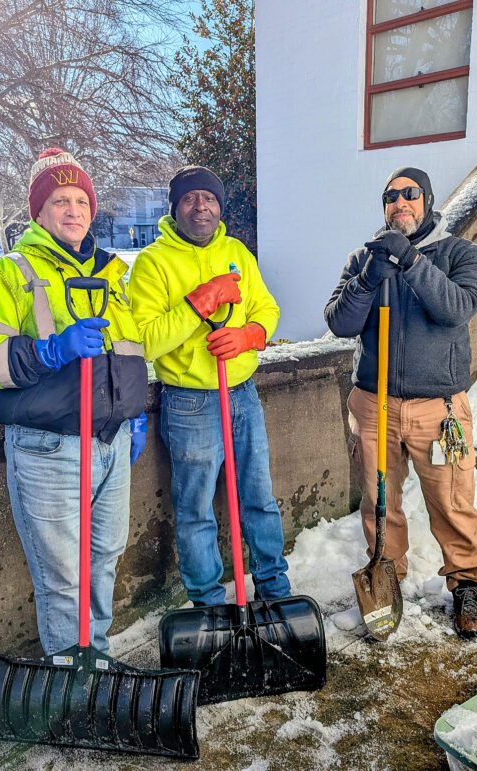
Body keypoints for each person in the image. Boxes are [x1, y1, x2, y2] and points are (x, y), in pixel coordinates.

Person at [0, 147, 148, 655]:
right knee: (64, 576)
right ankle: (73, 686)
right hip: (49, 448)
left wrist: (134, 410)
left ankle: (94, 663)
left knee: (104, 559)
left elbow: (129, 350)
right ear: (38, 211)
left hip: (111, 442)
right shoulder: (8, 274)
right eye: (60, 200)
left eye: (81, 199)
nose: (74, 210)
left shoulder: (113, 273)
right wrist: (48, 350)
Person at [324, 166, 477, 638]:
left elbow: (457, 307)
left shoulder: (462, 253)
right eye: (390, 196)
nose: (400, 202)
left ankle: (467, 585)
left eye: (410, 194)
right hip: (373, 405)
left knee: (452, 500)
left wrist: (413, 261)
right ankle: (386, 575)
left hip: (437, 410)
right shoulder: (365, 257)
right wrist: (368, 278)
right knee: (380, 501)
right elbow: (339, 322)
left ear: (428, 201)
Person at [129, 165, 291, 607]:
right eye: (189, 199)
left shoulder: (236, 251)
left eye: (210, 199)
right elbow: (144, 341)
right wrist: (199, 304)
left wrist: (249, 336)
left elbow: (267, 309)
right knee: (196, 509)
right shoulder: (152, 263)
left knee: (258, 497)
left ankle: (275, 591)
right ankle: (210, 603)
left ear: (220, 207)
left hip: (243, 393)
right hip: (188, 403)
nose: (201, 207)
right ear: (175, 208)